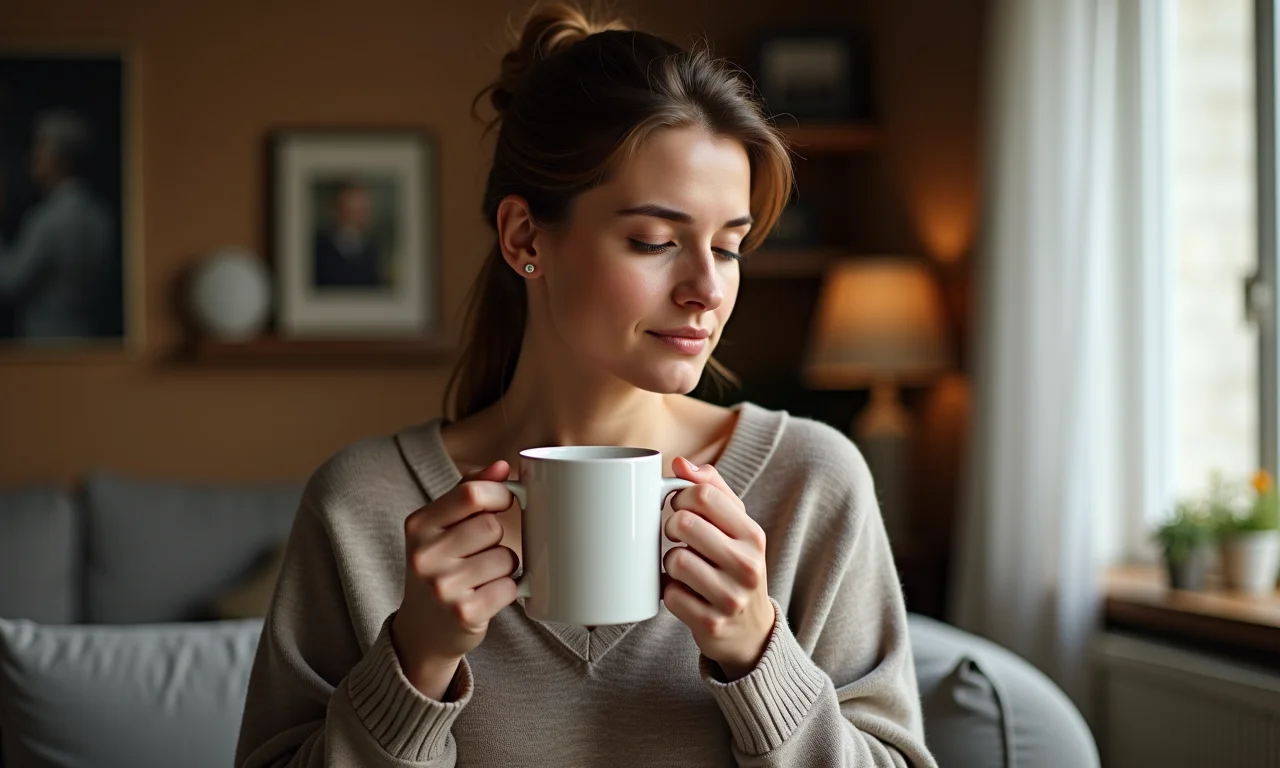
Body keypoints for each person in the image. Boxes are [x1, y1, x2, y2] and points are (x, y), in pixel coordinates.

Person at [234, 4, 935, 767]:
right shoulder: (363, 506)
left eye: (729, 248)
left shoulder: (809, 484)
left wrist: (759, 653)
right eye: (655, 242)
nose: (708, 288)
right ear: (525, 237)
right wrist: (414, 665)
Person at [0, 109, 116, 340]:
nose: (33, 157)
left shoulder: (49, 217)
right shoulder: (100, 214)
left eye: (40, 147)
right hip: (87, 338)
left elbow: (9, 282)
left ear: (60, 157)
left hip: (47, 341)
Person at [312, 180, 386, 289]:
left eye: (361, 211)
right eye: (350, 211)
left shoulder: (372, 249)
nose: (356, 218)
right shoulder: (320, 248)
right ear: (338, 211)